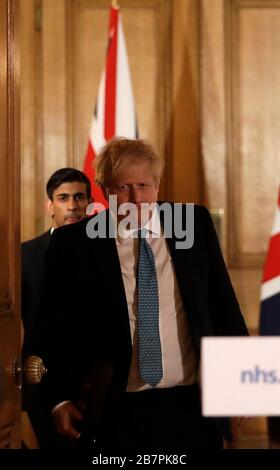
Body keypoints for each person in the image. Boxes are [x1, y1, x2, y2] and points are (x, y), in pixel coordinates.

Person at [33, 138, 248, 450]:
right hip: (114, 408)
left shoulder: (194, 224)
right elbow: (51, 328)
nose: (136, 198)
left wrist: (241, 382)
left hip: (192, 404)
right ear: (104, 189)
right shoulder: (73, 244)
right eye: (123, 187)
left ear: (158, 185)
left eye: (144, 185)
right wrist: (57, 399)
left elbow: (224, 307)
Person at [21, 167, 92, 448]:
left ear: (89, 202)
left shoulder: (107, 252)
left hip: (93, 385)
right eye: (63, 198)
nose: (72, 205)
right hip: (41, 380)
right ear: (50, 205)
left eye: (79, 197)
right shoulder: (25, 254)